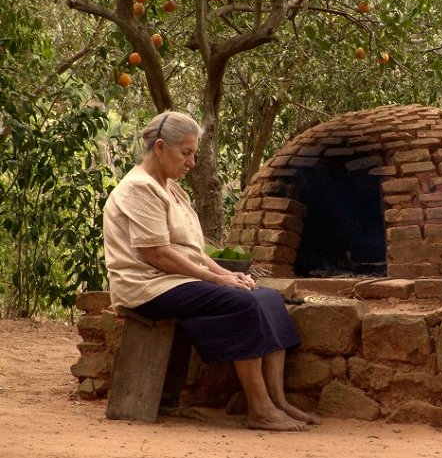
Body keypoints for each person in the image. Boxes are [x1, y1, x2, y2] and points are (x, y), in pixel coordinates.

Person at [103, 111, 319, 432]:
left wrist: (230, 276)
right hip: (148, 287)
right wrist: (218, 280)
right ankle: (259, 409)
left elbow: (195, 250)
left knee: (269, 299)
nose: (191, 162)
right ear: (160, 147)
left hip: (176, 280)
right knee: (243, 304)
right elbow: (157, 254)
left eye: (194, 153)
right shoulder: (138, 188)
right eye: (185, 152)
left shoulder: (173, 189)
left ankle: (278, 401)